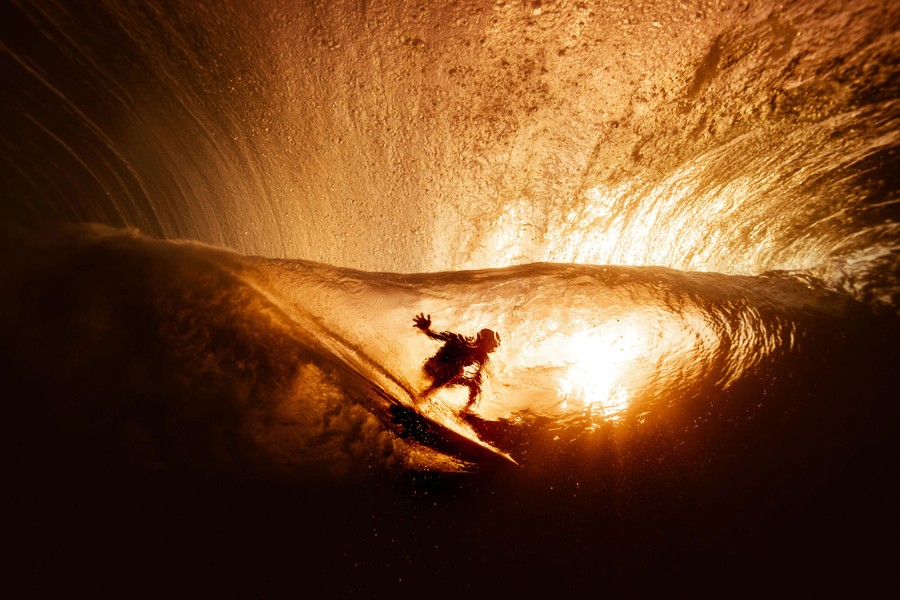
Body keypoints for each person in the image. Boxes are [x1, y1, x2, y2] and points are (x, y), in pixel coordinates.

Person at [413, 312, 501, 411]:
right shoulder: (459, 340)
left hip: (446, 376)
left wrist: (472, 397)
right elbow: (435, 335)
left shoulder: (482, 356)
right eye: (490, 345)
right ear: (483, 342)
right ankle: (422, 397)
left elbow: (477, 378)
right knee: (456, 370)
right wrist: (426, 329)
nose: (491, 349)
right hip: (431, 368)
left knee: (475, 383)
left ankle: (466, 411)